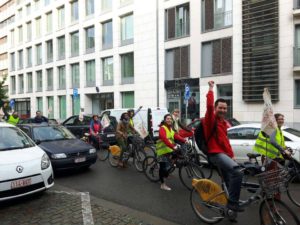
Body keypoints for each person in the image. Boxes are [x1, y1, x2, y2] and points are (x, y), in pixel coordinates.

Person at [204, 81, 244, 212]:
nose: (223, 110)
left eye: (225, 108)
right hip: (215, 154)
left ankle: (229, 212)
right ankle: (232, 203)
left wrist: (232, 156)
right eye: (220, 108)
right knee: (237, 172)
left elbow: (225, 143)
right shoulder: (210, 120)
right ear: (215, 109)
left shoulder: (223, 123)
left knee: (230, 182)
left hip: (224, 155)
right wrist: (210, 89)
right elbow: (209, 106)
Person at [253, 113, 291, 199]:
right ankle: (271, 204)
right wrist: (283, 150)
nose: (281, 120)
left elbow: (280, 143)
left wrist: (286, 148)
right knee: (272, 181)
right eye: (279, 119)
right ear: (275, 120)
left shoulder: (279, 129)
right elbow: (272, 141)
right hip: (269, 158)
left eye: (282, 119)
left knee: (272, 180)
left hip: (274, 158)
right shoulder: (273, 129)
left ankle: (266, 198)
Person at [156, 114, 187, 191]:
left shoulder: (170, 128)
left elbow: (176, 136)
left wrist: (184, 140)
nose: (169, 120)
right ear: (164, 120)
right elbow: (165, 139)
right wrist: (173, 146)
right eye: (167, 118)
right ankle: (162, 184)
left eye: (170, 119)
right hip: (162, 151)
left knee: (175, 157)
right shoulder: (162, 128)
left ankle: (167, 170)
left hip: (168, 150)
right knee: (163, 169)